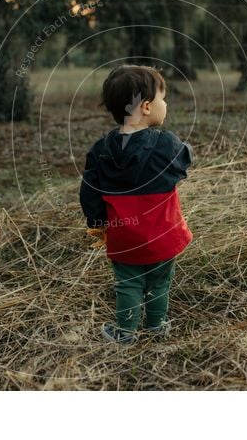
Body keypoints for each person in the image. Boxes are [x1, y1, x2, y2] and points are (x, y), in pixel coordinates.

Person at [79, 64, 194, 345]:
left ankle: (126, 332)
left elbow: (89, 191)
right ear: (145, 106)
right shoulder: (165, 144)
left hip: (124, 234)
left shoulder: (101, 150)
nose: (164, 104)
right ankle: (156, 326)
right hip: (163, 233)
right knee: (159, 281)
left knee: (128, 282)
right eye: (162, 99)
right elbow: (184, 161)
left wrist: (97, 223)